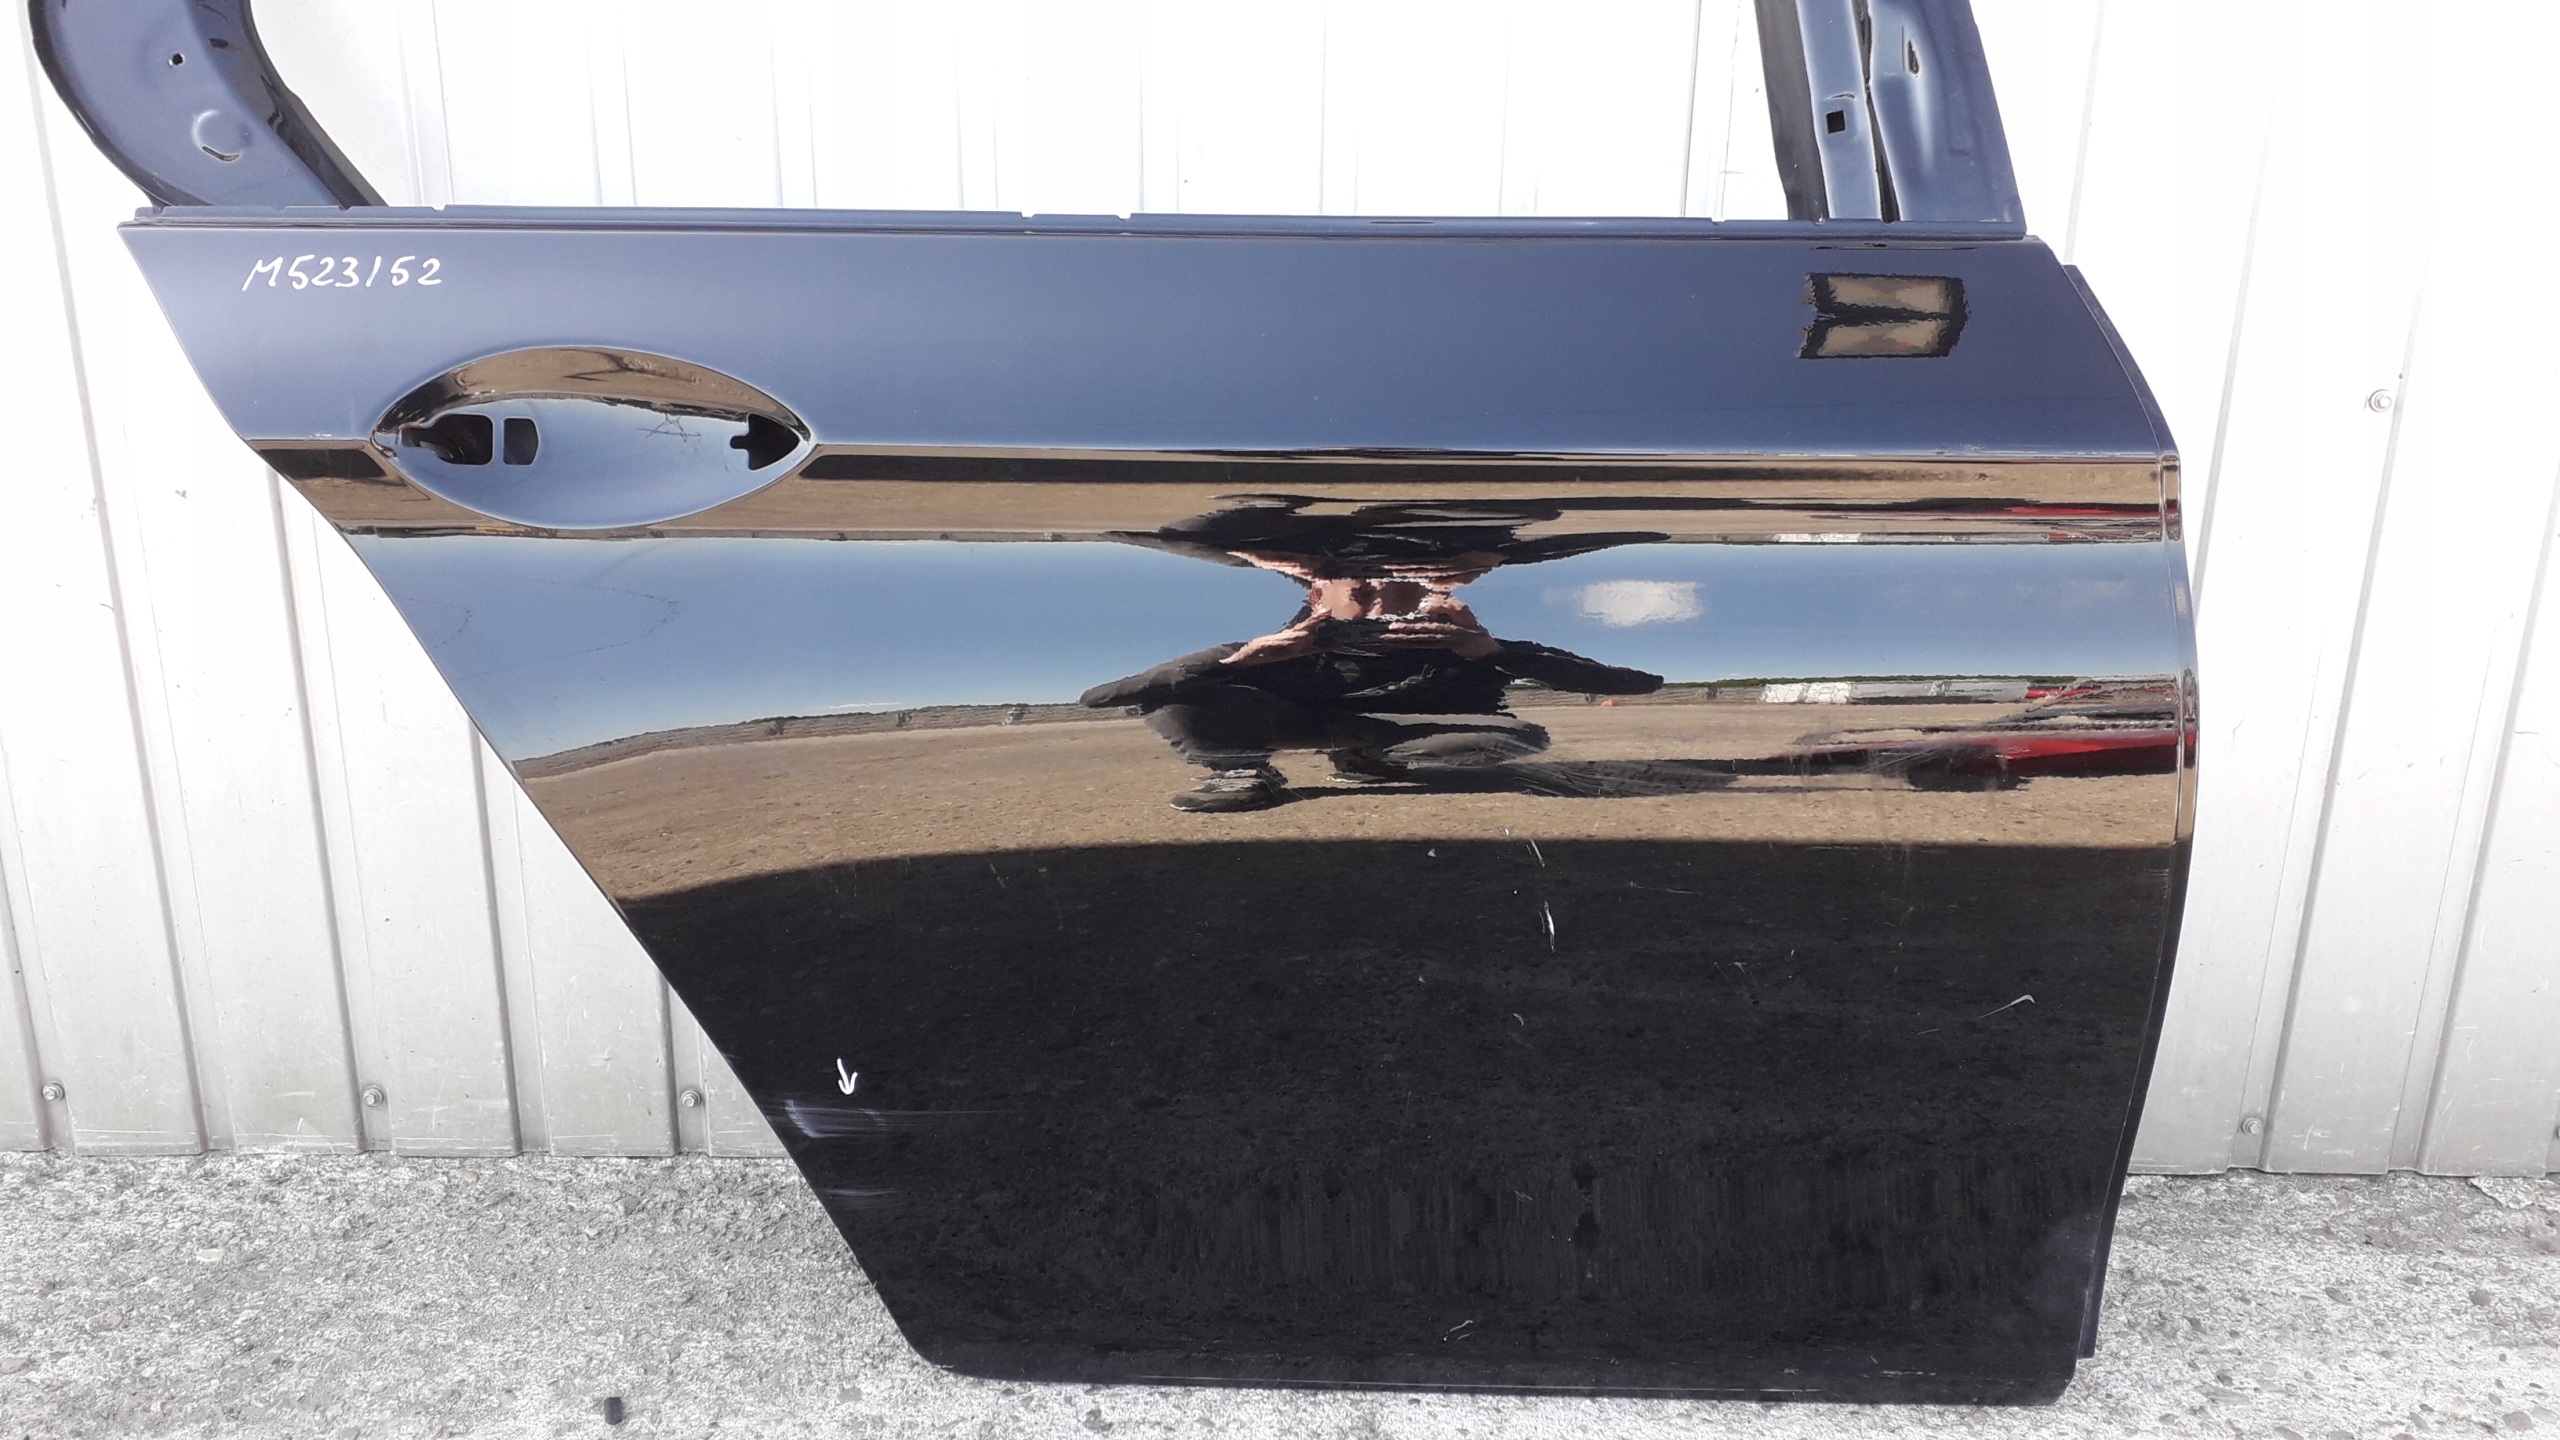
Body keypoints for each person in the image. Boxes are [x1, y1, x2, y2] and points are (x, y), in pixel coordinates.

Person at [1082, 508, 1664, 811]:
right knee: (1178, 696)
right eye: (1361, 592)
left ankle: (1370, 754)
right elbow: (1103, 696)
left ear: (1432, 590)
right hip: (1289, 721)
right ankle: (1242, 771)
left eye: (1403, 591)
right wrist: (1242, 657)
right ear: (1316, 592)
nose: (1382, 607)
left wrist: (1497, 651)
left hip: (1398, 730)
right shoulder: (1283, 646)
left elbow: (1636, 683)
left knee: (1517, 735)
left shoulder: (1453, 644)